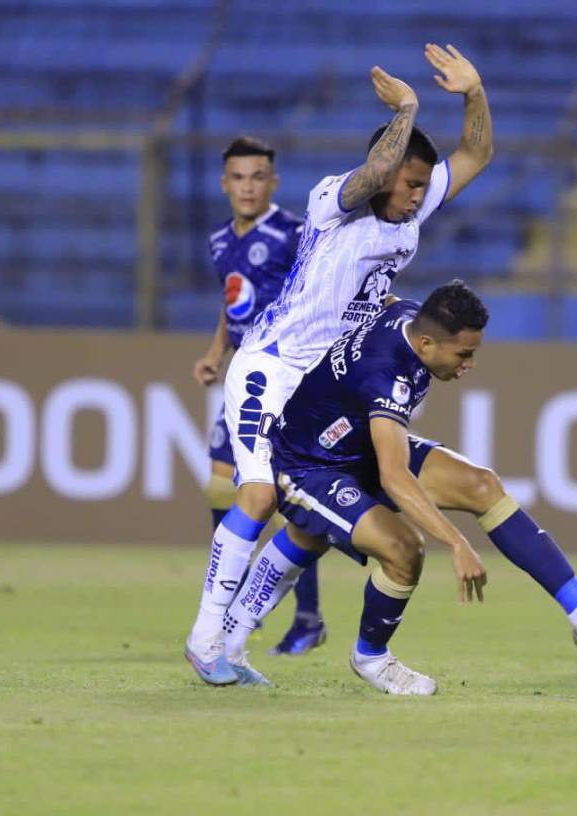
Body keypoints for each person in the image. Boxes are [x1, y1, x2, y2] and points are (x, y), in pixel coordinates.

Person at [184, 44, 495, 686]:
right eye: (410, 185)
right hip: (272, 366)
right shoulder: (335, 201)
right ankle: (205, 637)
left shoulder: (410, 209)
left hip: (323, 386)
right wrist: (407, 109)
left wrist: (474, 92)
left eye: (422, 187)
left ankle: (235, 642)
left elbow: (476, 154)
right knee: (259, 494)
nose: (417, 197)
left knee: (312, 525)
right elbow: (378, 170)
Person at [219, 281, 577, 693]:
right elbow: (395, 477)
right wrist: (456, 543)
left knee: (481, 486)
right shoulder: (386, 375)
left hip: (355, 444)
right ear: (427, 344)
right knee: (402, 548)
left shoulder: (410, 317)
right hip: (308, 465)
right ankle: (371, 657)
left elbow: (383, 300)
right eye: (463, 354)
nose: (469, 365)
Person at [191, 136, 327, 657]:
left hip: (285, 380)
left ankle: (306, 618)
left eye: (257, 177)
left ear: (273, 182)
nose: (248, 187)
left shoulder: (293, 235)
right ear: (224, 184)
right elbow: (232, 302)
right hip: (243, 379)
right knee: (219, 486)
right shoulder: (219, 241)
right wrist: (215, 352)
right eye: (238, 177)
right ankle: (228, 602)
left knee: (285, 500)